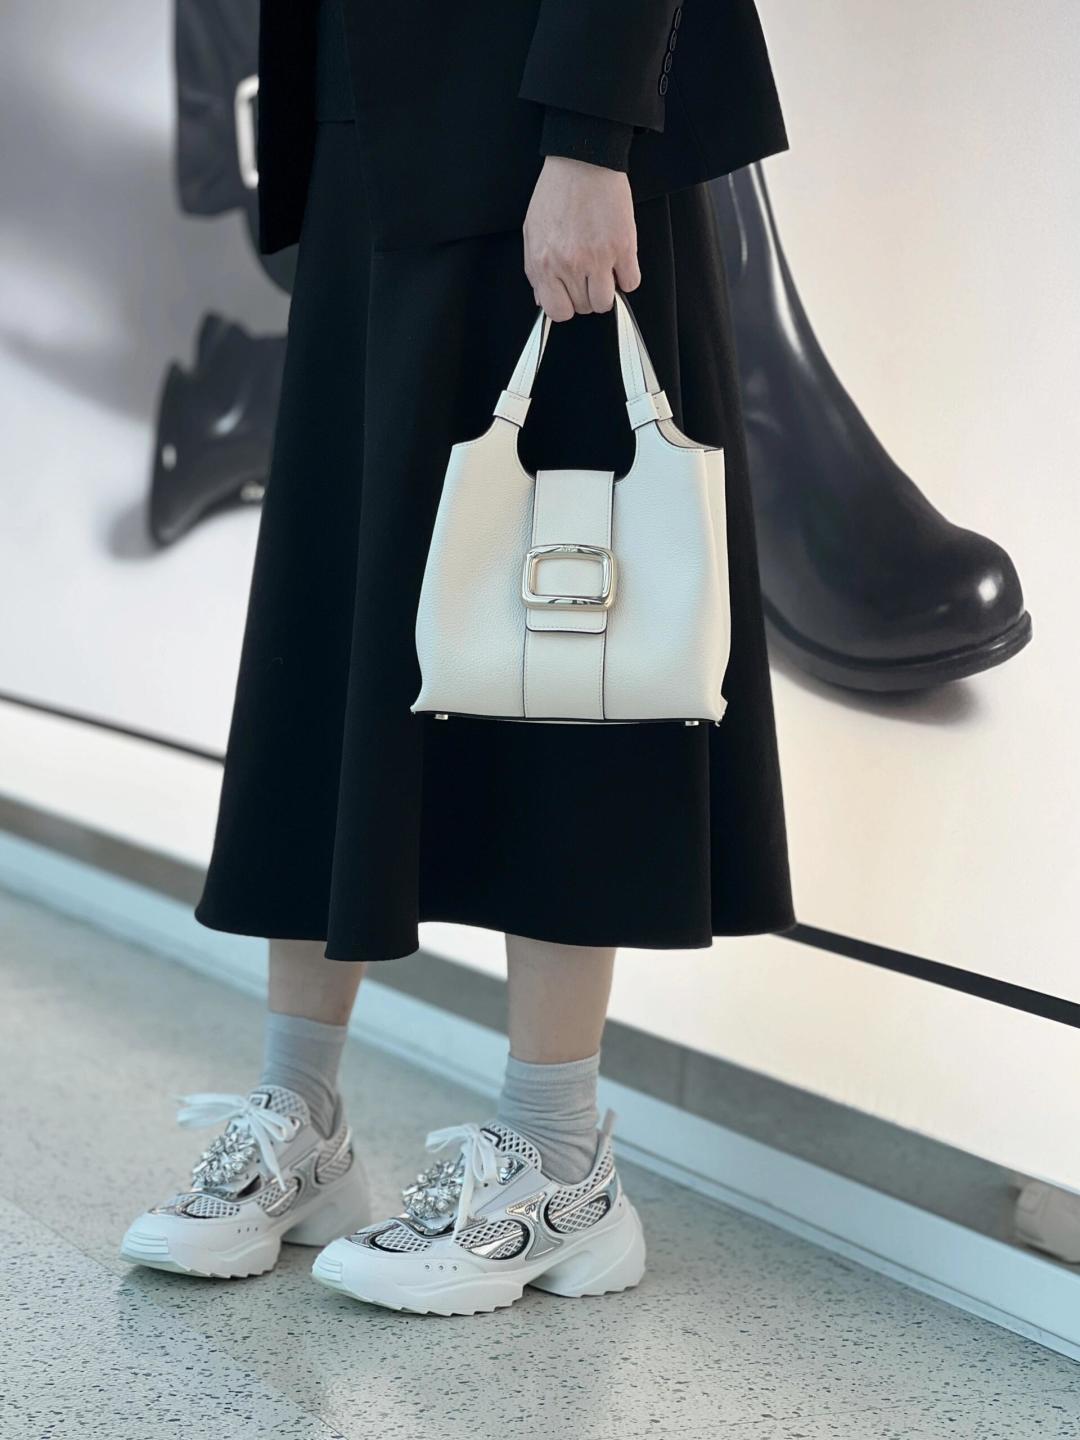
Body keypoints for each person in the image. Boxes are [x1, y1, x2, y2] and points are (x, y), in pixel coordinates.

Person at [121, 0, 795, 1315]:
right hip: (373, 97)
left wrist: (591, 137)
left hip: (552, 107)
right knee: (339, 619)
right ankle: (301, 1121)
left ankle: (561, 1160)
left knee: (567, 630)